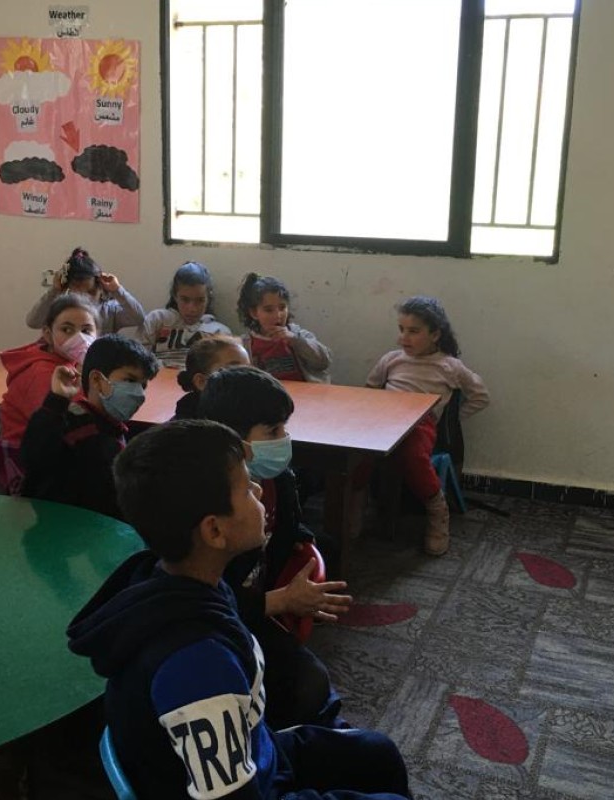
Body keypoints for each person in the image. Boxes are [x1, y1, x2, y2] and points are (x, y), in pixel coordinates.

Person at [66, 420, 411, 800]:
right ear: (214, 531)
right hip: (251, 788)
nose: (259, 489)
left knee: (379, 754)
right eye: (246, 488)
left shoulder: (183, 580)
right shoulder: (198, 668)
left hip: (261, 756)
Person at [198, 366, 351, 728]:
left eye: (284, 428)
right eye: (272, 432)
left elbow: (284, 526)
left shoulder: (277, 477)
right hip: (224, 617)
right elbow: (211, 601)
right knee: (309, 685)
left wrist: (300, 540)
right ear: (234, 441)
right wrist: (282, 601)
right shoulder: (213, 510)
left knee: (329, 547)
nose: (284, 440)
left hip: (259, 587)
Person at [364, 296, 489, 555]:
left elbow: (481, 396)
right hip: (384, 420)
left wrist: (452, 420)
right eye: (401, 329)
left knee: (413, 455)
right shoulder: (392, 359)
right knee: (358, 452)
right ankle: (353, 506)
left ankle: (437, 511)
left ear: (435, 334)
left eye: (414, 331)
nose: (404, 338)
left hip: (420, 425)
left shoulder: (449, 366)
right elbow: (370, 389)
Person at [20, 334, 160, 515]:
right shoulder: (71, 424)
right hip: (66, 525)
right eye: (130, 380)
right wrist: (56, 400)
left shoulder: (111, 427)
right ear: (96, 380)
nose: (139, 394)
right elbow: (33, 457)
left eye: (143, 386)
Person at [0, 294, 98, 444]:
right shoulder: (42, 373)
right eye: (67, 329)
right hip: (26, 453)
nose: (79, 338)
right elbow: (72, 424)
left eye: (86, 331)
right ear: (48, 334)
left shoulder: (70, 361)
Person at [24, 246, 145, 334]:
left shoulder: (109, 311)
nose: (84, 300)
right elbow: (33, 322)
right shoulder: (60, 310)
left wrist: (117, 290)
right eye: (77, 294)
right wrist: (54, 290)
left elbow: (139, 318)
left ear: (101, 288)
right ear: (66, 290)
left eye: (91, 292)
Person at [236, 272, 332, 383]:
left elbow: (324, 362)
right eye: (268, 310)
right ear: (254, 313)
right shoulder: (246, 345)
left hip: (305, 392)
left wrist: (295, 340)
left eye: (282, 308)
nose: (278, 315)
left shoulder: (298, 334)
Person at [139, 261, 233, 368]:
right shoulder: (157, 320)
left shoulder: (219, 332)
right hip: (159, 374)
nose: (192, 309)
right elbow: (139, 358)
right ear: (175, 296)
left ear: (208, 298)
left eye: (200, 300)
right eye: (185, 299)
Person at [172, 334, 250, 420]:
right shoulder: (186, 423)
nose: (248, 376)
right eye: (235, 370)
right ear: (201, 382)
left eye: (248, 369)